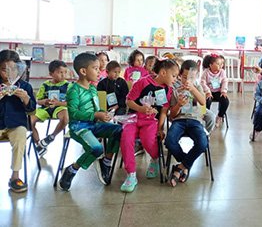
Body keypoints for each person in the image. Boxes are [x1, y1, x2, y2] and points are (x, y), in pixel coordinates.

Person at [59, 53, 122, 191]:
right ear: (83, 71)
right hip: (79, 127)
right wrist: (95, 114)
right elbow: (73, 113)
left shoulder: (93, 88)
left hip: (94, 125)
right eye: (95, 68)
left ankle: (106, 162)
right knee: (96, 148)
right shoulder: (74, 91)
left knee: (119, 130)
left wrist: (104, 114)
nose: (99, 71)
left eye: (99, 68)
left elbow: (96, 108)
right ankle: (72, 169)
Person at [120, 58, 178, 193]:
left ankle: (155, 158)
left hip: (152, 121)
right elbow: (129, 101)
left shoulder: (168, 90)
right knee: (126, 138)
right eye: (174, 76)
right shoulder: (142, 82)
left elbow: (164, 111)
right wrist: (140, 109)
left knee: (148, 139)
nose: (176, 79)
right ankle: (131, 175)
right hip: (134, 118)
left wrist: (160, 129)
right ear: (163, 73)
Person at [166, 60, 207, 186]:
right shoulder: (175, 88)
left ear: (196, 77)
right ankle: (186, 165)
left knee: (202, 143)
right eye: (184, 77)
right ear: (179, 75)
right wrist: (178, 104)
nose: (188, 80)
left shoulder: (197, 86)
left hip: (195, 120)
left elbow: (203, 102)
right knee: (169, 141)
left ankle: (180, 167)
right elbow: (172, 115)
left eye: (192, 77)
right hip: (179, 120)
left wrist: (193, 89)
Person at [0, 50, 36, 193]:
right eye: (4, 69)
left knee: (21, 134)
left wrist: (26, 98)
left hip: (16, 126)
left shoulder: (25, 86)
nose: (8, 73)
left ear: (19, 68)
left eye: (13, 69)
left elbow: (32, 111)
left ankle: (15, 176)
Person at [31, 60, 70, 157]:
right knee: (29, 121)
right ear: (51, 74)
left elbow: (71, 103)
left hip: (59, 107)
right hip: (45, 108)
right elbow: (38, 100)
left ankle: (52, 136)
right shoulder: (45, 85)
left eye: (65, 72)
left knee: (65, 118)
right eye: (60, 72)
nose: (63, 75)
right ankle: (39, 145)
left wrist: (58, 103)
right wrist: (44, 101)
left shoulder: (68, 85)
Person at [201, 54, 229, 128]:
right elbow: (202, 82)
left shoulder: (222, 72)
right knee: (205, 102)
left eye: (221, 64)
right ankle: (205, 116)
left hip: (218, 92)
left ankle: (219, 116)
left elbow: (224, 81)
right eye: (218, 64)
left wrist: (223, 91)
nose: (221, 66)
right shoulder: (206, 72)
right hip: (208, 92)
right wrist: (207, 92)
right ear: (210, 65)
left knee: (225, 101)